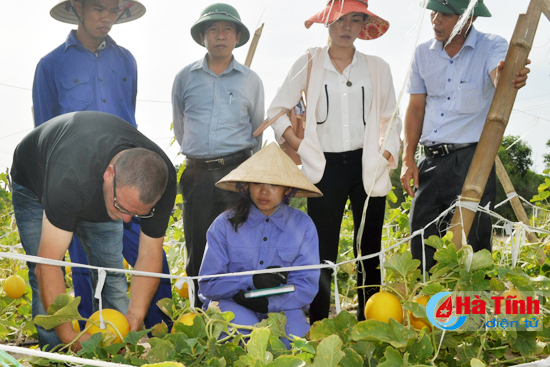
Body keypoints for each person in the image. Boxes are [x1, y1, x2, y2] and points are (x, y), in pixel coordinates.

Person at [33, 0, 172, 329]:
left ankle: (157, 336)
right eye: (98, 8)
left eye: (114, 10)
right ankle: (91, 346)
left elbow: (126, 123)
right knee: (89, 271)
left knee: (154, 263)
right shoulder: (51, 65)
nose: (107, 18)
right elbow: (46, 132)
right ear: (78, 8)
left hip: (129, 178)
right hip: (82, 186)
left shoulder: (126, 61)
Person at [267, 0, 402, 323]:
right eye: (340, 20)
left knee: (368, 249)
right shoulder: (309, 62)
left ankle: (371, 321)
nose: (346, 28)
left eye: (355, 20)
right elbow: (276, 111)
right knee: (321, 249)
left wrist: (387, 151)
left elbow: (391, 118)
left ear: (363, 26)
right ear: (327, 22)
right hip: (323, 168)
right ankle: (318, 321)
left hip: (367, 165)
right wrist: (300, 144)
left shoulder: (377, 67)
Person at [10, 111, 177, 351]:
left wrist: (134, 317)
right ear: (109, 175)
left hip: (92, 187)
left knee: (109, 273)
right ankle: (55, 355)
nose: (127, 219)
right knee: (40, 276)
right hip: (34, 183)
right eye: (123, 207)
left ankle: (115, 351)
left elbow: (150, 254)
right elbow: (48, 263)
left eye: (137, 214)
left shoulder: (163, 181)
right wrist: (70, 337)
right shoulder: (69, 177)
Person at [400, 0, 531, 272]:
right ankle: (426, 310)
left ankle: (473, 314)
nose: (435, 20)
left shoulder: (491, 45)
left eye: (445, 14)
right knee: (422, 240)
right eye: (433, 12)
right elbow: (415, 108)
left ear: (469, 18)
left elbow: (500, 74)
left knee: (473, 248)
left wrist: (508, 76)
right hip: (430, 161)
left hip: (472, 162)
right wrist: (408, 158)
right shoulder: (423, 53)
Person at [172, 3, 265, 307]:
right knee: (197, 248)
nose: (220, 35)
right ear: (203, 37)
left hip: (237, 172)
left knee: (239, 248)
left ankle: (242, 316)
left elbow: (257, 131)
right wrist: (201, 156)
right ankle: (199, 316)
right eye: (213, 29)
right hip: (197, 173)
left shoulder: (250, 80)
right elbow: (182, 128)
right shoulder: (185, 78)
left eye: (227, 29)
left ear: (237, 37)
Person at [199, 143, 321, 345]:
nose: (264, 192)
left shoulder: (303, 226)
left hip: (283, 307)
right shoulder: (223, 225)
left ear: (287, 189)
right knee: (247, 340)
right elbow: (208, 284)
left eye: (274, 184)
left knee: (297, 346)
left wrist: (269, 303)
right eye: (257, 184)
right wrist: (251, 280)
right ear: (246, 186)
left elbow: (305, 286)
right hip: (231, 304)